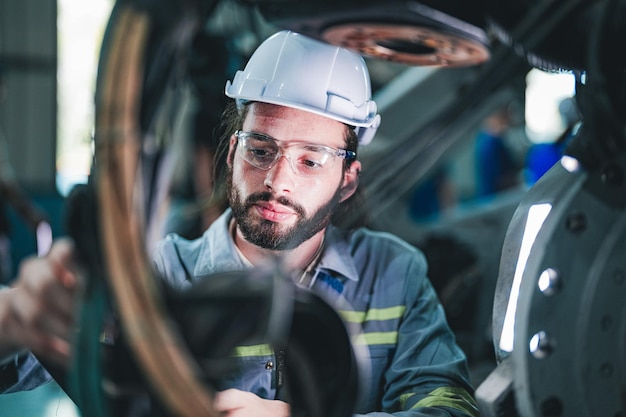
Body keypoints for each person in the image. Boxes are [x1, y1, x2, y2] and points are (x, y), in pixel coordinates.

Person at [0, 31, 478, 416]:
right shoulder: (158, 276)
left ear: (348, 179)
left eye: (311, 161)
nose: (277, 181)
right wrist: (15, 314)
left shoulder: (393, 275)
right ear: (233, 154)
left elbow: (451, 406)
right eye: (261, 150)